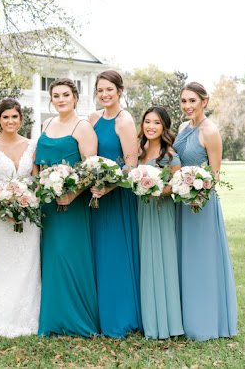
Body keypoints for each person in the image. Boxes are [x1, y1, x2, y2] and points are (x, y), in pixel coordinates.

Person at [36, 78, 100, 337]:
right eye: (55, 95)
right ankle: (52, 318)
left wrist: (72, 195)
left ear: (75, 97)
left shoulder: (83, 127)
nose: (60, 99)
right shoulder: (47, 123)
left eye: (65, 94)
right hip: (48, 203)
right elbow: (40, 163)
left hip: (71, 204)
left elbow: (91, 168)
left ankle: (76, 319)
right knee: (51, 256)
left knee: (68, 255)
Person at [173, 82, 237, 341]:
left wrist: (194, 187)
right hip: (180, 203)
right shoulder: (181, 128)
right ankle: (182, 317)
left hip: (200, 204)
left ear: (204, 102)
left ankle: (204, 322)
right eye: (183, 101)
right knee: (182, 258)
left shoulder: (210, 131)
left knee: (201, 260)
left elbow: (215, 174)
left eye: (192, 101)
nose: (187, 106)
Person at [88, 70, 142, 337]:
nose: (104, 94)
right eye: (100, 90)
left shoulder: (125, 120)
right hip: (95, 196)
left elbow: (131, 164)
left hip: (117, 196)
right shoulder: (94, 118)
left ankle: (120, 317)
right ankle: (99, 314)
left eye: (109, 89)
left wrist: (108, 186)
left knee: (115, 255)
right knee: (98, 253)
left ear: (120, 91)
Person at [0, 98, 41, 338]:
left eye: (14, 116)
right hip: (1, 213)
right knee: (2, 260)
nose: (10, 121)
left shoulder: (32, 144)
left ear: (21, 119)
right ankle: (0, 315)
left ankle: (27, 314)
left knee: (28, 261)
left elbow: (35, 179)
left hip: (29, 212)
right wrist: (7, 204)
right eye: (5, 117)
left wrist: (26, 202)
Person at [136, 106, 184, 339]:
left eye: (156, 122)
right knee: (145, 261)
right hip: (140, 211)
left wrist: (156, 190)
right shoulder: (138, 151)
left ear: (164, 126)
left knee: (162, 262)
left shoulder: (170, 155)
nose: (151, 126)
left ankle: (167, 324)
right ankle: (147, 320)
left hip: (160, 210)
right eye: (147, 121)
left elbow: (176, 185)